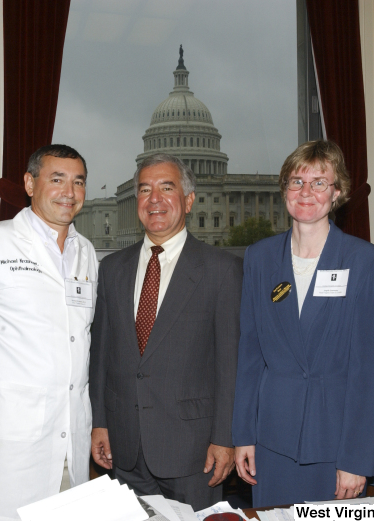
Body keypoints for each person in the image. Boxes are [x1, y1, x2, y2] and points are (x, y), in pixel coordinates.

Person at [0, 144, 97, 521]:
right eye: (56, 179)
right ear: (29, 183)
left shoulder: (86, 252)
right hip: (3, 442)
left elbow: (80, 339)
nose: (69, 192)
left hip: (68, 439)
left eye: (78, 182)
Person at [232, 140, 374, 507]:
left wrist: (356, 459)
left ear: (338, 192)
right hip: (270, 439)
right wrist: (243, 434)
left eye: (320, 182)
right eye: (296, 182)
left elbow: (368, 372)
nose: (307, 192)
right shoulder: (259, 258)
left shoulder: (366, 262)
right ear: (284, 189)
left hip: (334, 441)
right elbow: (250, 354)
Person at [89, 153, 243, 510]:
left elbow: (230, 365)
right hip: (124, 446)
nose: (153, 199)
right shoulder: (112, 268)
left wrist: (225, 438)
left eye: (166, 188)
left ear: (188, 200)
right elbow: (101, 356)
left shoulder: (222, 270)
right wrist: (100, 422)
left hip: (193, 450)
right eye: (145, 189)